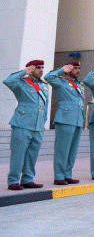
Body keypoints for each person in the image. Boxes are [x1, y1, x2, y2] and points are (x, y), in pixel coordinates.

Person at [5, 60, 49, 190]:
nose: (41, 70)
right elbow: (8, 81)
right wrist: (24, 72)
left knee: (32, 155)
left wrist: (43, 122)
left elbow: (44, 106)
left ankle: (28, 179)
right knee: (18, 155)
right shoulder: (21, 82)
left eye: (42, 67)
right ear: (31, 68)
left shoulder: (44, 85)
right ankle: (13, 181)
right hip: (23, 123)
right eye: (38, 68)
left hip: (38, 126)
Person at [45, 61, 85, 185]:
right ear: (68, 70)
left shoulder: (79, 84)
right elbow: (48, 77)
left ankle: (68, 174)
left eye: (79, 68)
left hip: (77, 119)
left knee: (72, 150)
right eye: (74, 68)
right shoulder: (61, 81)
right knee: (62, 150)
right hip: (65, 118)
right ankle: (59, 176)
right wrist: (61, 69)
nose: (77, 70)